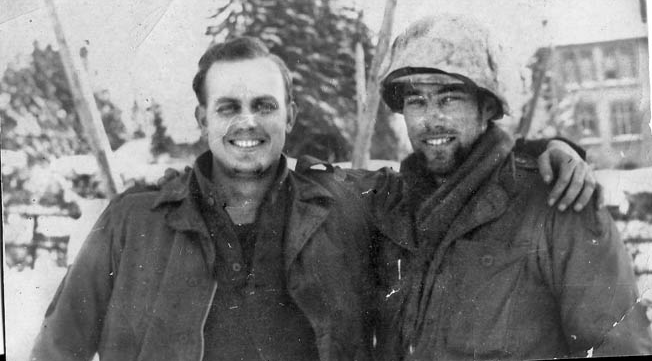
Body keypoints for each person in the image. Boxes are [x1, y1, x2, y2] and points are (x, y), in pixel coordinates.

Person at [30, 36, 595, 361]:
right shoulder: (134, 221)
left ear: (290, 116)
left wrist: (545, 151)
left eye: (264, 106)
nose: (247, 123)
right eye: (228, 107)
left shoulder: (347, 202)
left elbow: (451, 174)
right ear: (202, 119)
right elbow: (57, 351)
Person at [370, 14, 652, 360]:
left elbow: (617, 346)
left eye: (449, 98)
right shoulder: (390, 208)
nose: (431, 119)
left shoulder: (559, 200)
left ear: (487, 106)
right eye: (416, 101)